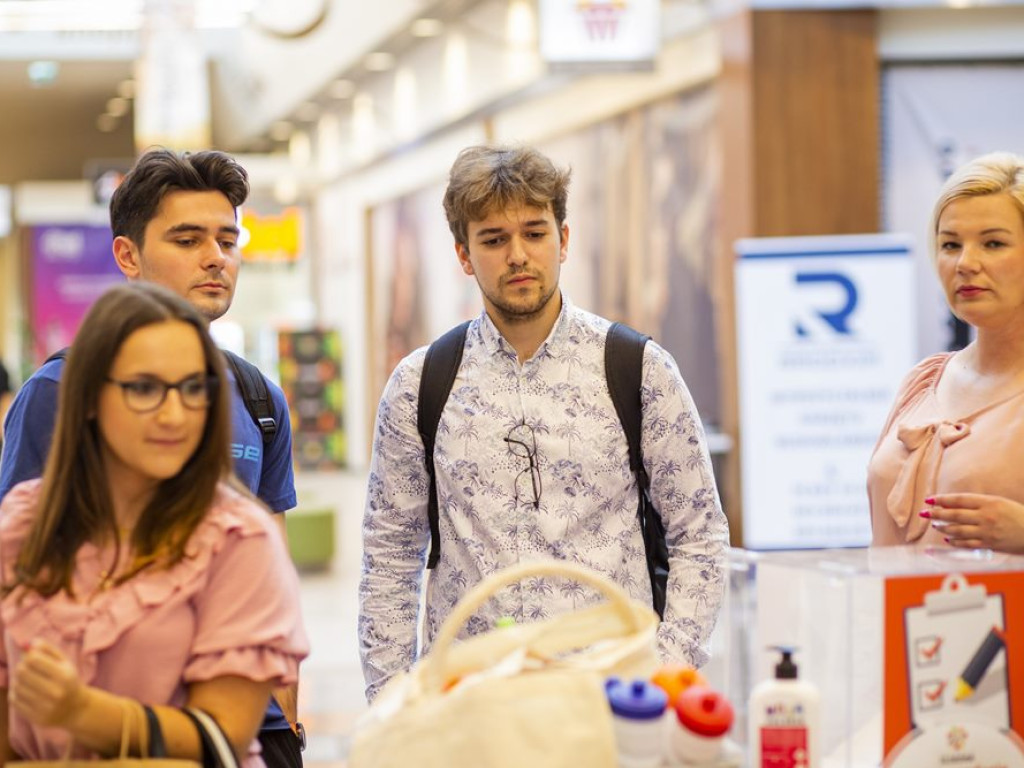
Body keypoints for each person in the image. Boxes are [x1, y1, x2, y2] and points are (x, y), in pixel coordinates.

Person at [358, 144, 728, 701]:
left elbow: (699, 532)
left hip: (612, 698)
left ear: (564, 239)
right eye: (493, 239)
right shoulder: (421, 384)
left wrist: (664, 671)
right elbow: (390, 553)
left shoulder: (637, 369)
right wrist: (392, 701)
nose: (517, 255)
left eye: (534, 232)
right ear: (464, 255)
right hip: (472, 704)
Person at [0, 148, 304, 765]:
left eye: (227, 240)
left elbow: (275, 575)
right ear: (127, 255)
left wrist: (286, 728)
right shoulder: (54, 399)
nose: (215, 257)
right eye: (188, 239)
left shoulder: (258, 400)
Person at [868, 151, 1024, 554]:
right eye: (950, 244)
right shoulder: (923, 381)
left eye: (993, 243)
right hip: (897, 613)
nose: (966, 263)